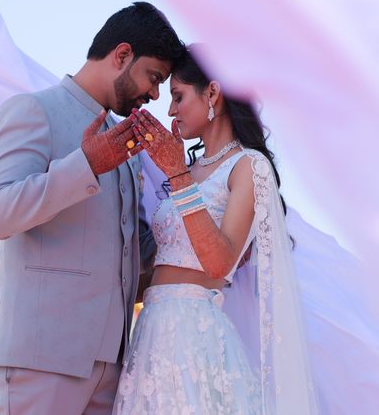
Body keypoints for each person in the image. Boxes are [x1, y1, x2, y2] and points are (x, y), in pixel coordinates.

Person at [0, 2, 185, 415]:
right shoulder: (33, 110)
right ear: (122, 55)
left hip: (110, 368)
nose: (156, 94)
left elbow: (131, 254)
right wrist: (86, 165)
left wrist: (197, 205)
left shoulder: (127, 147)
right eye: (154, 77)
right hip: (38, 359)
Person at [116, 45, 318, 414]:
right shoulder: (189, 170)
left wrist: (175, 173)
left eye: (178, 96)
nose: (171, 110)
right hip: (149, 334)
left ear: (212, 92)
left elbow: (220, 262)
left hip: (195, 339)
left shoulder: (249, 166)